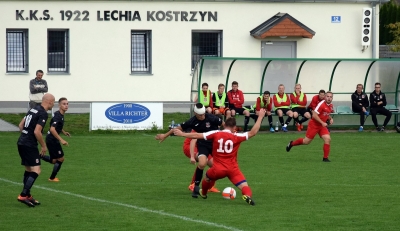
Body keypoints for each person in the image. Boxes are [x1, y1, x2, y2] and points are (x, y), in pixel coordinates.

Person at [173, 108, 266, 206]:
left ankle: (203, 193)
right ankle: (247, 195)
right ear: (234, 128)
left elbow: (198, 135)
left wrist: (182, 134)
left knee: (207, 178)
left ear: (224, 125)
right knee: (244, 186)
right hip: (233, 169)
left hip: (218, 169)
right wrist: (260, 117)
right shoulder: (237, 136)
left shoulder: (216, 133)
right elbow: (253, 132)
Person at [155, 103, 223, 198]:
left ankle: (207, 185)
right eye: (200, 115)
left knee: (217, 168)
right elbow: (177, 129)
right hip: (203, 145)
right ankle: (196, 187)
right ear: (195, 113)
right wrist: (165, 135)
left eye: (204, 114)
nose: (203, 116)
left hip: (215, 145)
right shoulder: (192, 121)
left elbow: (225, 125)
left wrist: (231, 133)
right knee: (202, 163)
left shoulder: (212, 118)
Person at [16, 93, 55, 207]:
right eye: (53, 102)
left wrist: (25, 135)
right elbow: (37, 132)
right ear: (49, 102)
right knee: (36, 170)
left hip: (21, 142)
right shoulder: (43, 113)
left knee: (29, 169)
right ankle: (23, 195)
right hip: (29, 144)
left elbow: (20, 125)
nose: (53, 104)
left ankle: (27, 195)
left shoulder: (33, 109)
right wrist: (43, 146)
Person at [286, 91, 334, 162]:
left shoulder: (330, 105)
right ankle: (292, 143)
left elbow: (326, 114)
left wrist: (330, 118)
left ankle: (325, 158)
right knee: (306, 142)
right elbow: (314, 115)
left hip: (321, 126)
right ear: (325, 97)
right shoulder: (321, 104)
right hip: (314, 125)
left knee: (328, 139)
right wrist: (322, 122)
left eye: (330, 97)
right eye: (328, 96)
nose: (329, 98)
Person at [41, 97, 71, 182]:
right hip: (52, 139)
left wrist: (64, 132)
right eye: (64, 104)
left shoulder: (60, 115)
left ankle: (39, 156)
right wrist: (62, 140)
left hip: (51, 139)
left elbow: (56, 127)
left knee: (54, 160)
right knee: (60, 159)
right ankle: (52, 178)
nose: (66, 106)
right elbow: (52, 129)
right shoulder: (58, 116)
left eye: (67, 104)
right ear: (59, 105)